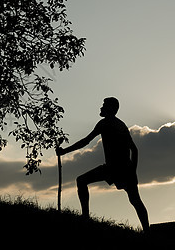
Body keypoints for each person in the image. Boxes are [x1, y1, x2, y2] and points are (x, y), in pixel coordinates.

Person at [56, 97, 150, 232]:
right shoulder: (121, 125)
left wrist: (64, 151)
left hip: (116, 168)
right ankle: (147, 231)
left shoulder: (105, 124)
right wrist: (132, 171)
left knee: (81, 181)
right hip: (122, 168)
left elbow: (86, 141)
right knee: (135, 201)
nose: (101, 108)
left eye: (104, 105)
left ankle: (86, 218)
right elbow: (134, 150)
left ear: (111, 109)